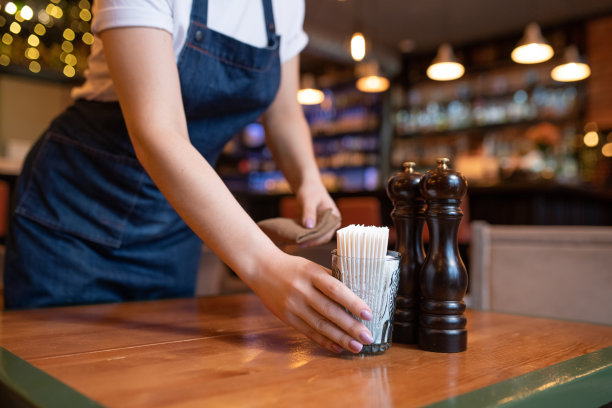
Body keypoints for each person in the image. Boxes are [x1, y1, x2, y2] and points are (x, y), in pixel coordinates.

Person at [3, 0, 375, 354]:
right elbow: (158, 133)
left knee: (157, 376)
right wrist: (266, 265)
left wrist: (309, 180)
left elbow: (283, 113)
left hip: (174, 222)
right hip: (76, 214)